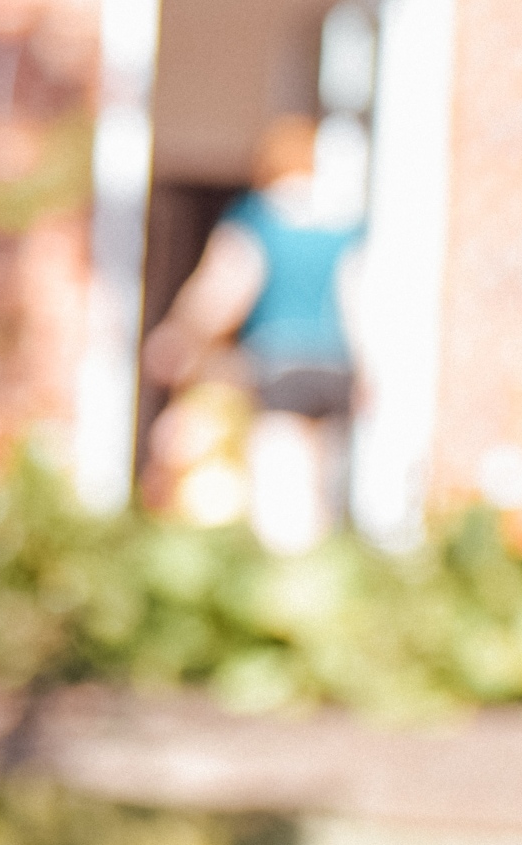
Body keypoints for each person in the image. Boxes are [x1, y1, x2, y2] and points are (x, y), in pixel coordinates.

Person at [142, 116, 366, 555]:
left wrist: (182, 334)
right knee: (323, 482)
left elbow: (225, 287)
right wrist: (365, 369)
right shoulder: (343, 224)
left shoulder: (260, 219)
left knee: (281, 482)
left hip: (279, 359)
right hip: (334, 364)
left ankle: (285, 580)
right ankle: (321, 567)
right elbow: (357, 298)